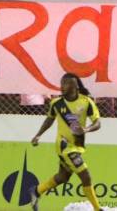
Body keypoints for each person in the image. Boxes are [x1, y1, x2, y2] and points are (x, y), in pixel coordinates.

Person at [29, 73, 103, 211]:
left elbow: (98, 123)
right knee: (86, 176)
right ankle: (98, 209)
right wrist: (38, 135)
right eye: (61, 83)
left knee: (63, 177)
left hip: (77, 146)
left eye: (65, 83)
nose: (62, 86)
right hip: (64, 146)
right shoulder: (56, 103)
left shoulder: (86, 102)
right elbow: (49, 119)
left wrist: (86, 129)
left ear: (74, 85)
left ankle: (36, 191)